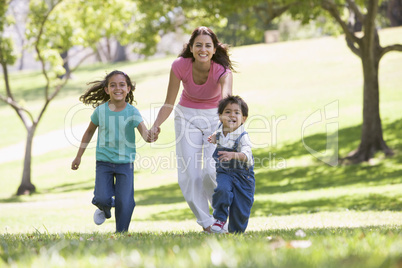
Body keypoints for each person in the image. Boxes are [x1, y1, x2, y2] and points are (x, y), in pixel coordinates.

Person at [149, 26, 235, 233]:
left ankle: (220, 217)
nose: (202, 49)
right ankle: (206, 223)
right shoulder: (180, 66)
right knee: (190, 173)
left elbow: (226, 103)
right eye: (198, 45)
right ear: (191, 47)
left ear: (214, 49)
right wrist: (155, 125)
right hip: (186, 117)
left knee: (210, 171)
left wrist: (223, 128)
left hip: (215, 117)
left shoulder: (223, 71)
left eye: (207, 45)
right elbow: (169, 102)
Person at [71, 70, 159, 233]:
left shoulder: (132, 112)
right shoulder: (100, 111)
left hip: (125, 163)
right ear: (106, 89)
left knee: (125, 201)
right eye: (113, 85)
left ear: (129, 88)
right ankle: (105, 206)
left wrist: (153, 136)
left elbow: (145, 135)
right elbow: (89, 132)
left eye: (121, 85)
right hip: (103, 162)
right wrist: (78, 156)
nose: (117, 88)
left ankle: (121, 232)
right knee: (102, 198)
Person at [208, 95, 255, 234]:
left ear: (243, 118)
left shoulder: (243, 137)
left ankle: (235, 230)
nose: (231, 115)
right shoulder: (221, 128)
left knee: (241, 208)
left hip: (243, 176)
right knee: (222, 189)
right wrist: (215, 137)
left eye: (236, 112)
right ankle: (220, 218)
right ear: (220, 116)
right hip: (225, 172)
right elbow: (220, 135)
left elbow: (246, 155)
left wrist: (233, 155)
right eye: (227, 112)